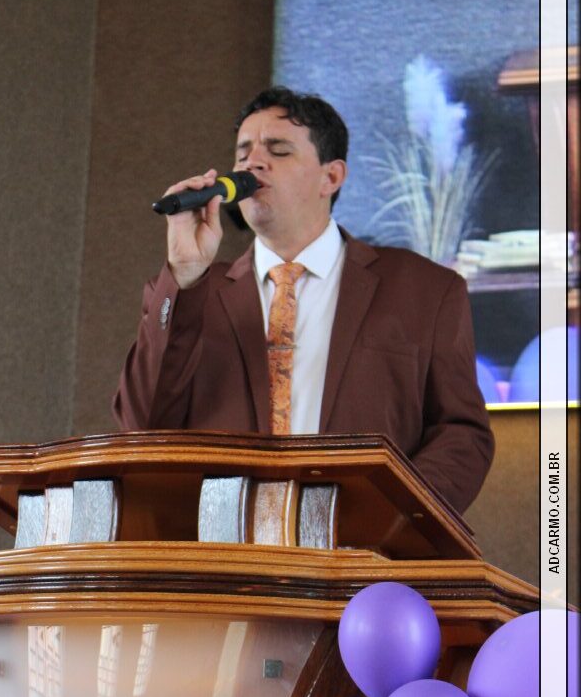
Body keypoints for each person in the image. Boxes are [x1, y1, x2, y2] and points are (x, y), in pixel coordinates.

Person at [113, 86, 494, 515]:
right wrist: (183, 274)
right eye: (243, 153)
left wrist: (391, 516)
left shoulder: (424, 289)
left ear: (331, 177)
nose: (253, 162)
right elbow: (141, 427)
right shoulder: (191, 291)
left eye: (278, 150)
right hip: (223, 546)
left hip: (362, 546)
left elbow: (462, 434)